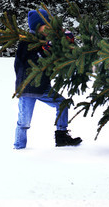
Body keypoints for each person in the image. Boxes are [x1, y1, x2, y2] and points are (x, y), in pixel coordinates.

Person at [13, 9, 82, 149]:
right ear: (37, 27)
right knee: (24, 122)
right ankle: (19, 148)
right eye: (46, 25)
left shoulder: (47, 41)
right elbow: (23, 63)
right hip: (27, 88)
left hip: (43, 87)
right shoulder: (26, 42)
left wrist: (67, 42)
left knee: (62, 104)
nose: (49, 28)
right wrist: (44, 51)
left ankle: (62, 136)